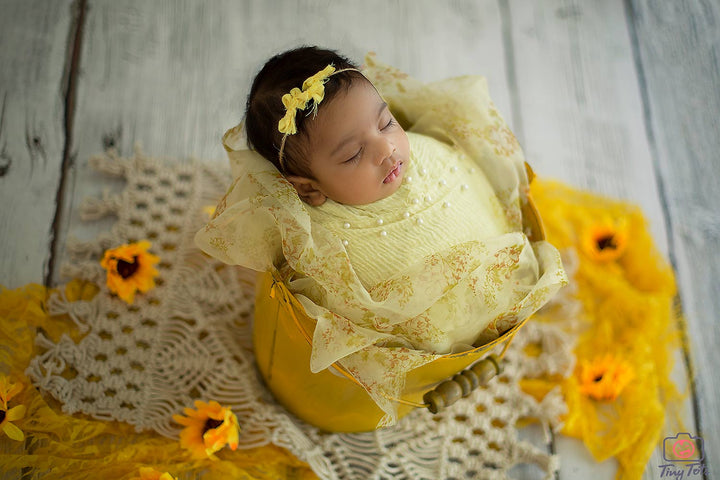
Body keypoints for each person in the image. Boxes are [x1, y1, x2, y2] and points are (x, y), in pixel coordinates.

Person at [195, 46, 567, 426]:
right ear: (308, 189)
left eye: (386, 121)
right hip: (398, 355)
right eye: (354, 154)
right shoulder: (317, 244)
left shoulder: (436, 153)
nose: (386, 149)